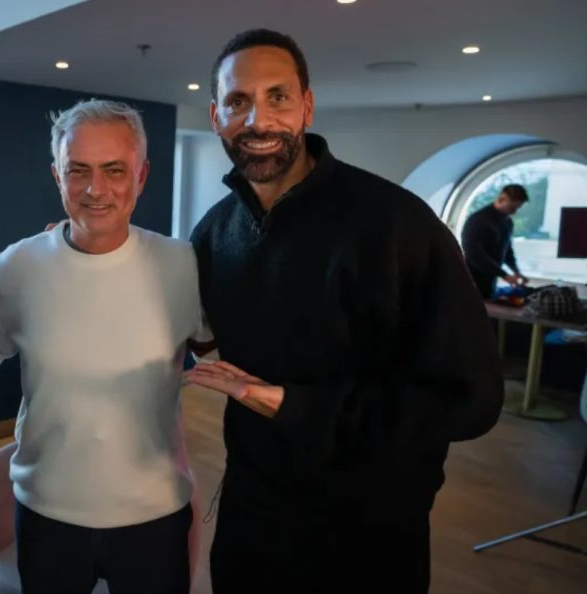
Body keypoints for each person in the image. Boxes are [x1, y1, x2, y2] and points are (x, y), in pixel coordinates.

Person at [183, 29, 504, 593]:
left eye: (277, 97)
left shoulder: (397, 225)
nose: (257, 120)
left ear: (307, 104)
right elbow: (196, 328)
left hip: (369, 526)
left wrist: (291, 405)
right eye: (238, 101)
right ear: (215, 115)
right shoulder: (214, 232)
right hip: (251, 516)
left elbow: (470, 400)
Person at [0, 99, 211, 594]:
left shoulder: (183, 265)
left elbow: (221, 352)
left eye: (113, 170)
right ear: (57, 176)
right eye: (78, 170)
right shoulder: (18, 267)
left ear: (141, 176)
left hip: (155, 515)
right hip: (46, 514)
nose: (95, 189)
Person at [461, 184, 530, 299]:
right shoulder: (477, 220)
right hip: (471, 280)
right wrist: (504, 275)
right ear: (501, 199)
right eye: (512, 208)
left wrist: (516, 271)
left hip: (491, 279)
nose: (514, 213)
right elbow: (474, 254)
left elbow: (507, 250)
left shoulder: (507, 222)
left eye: (517, 209)